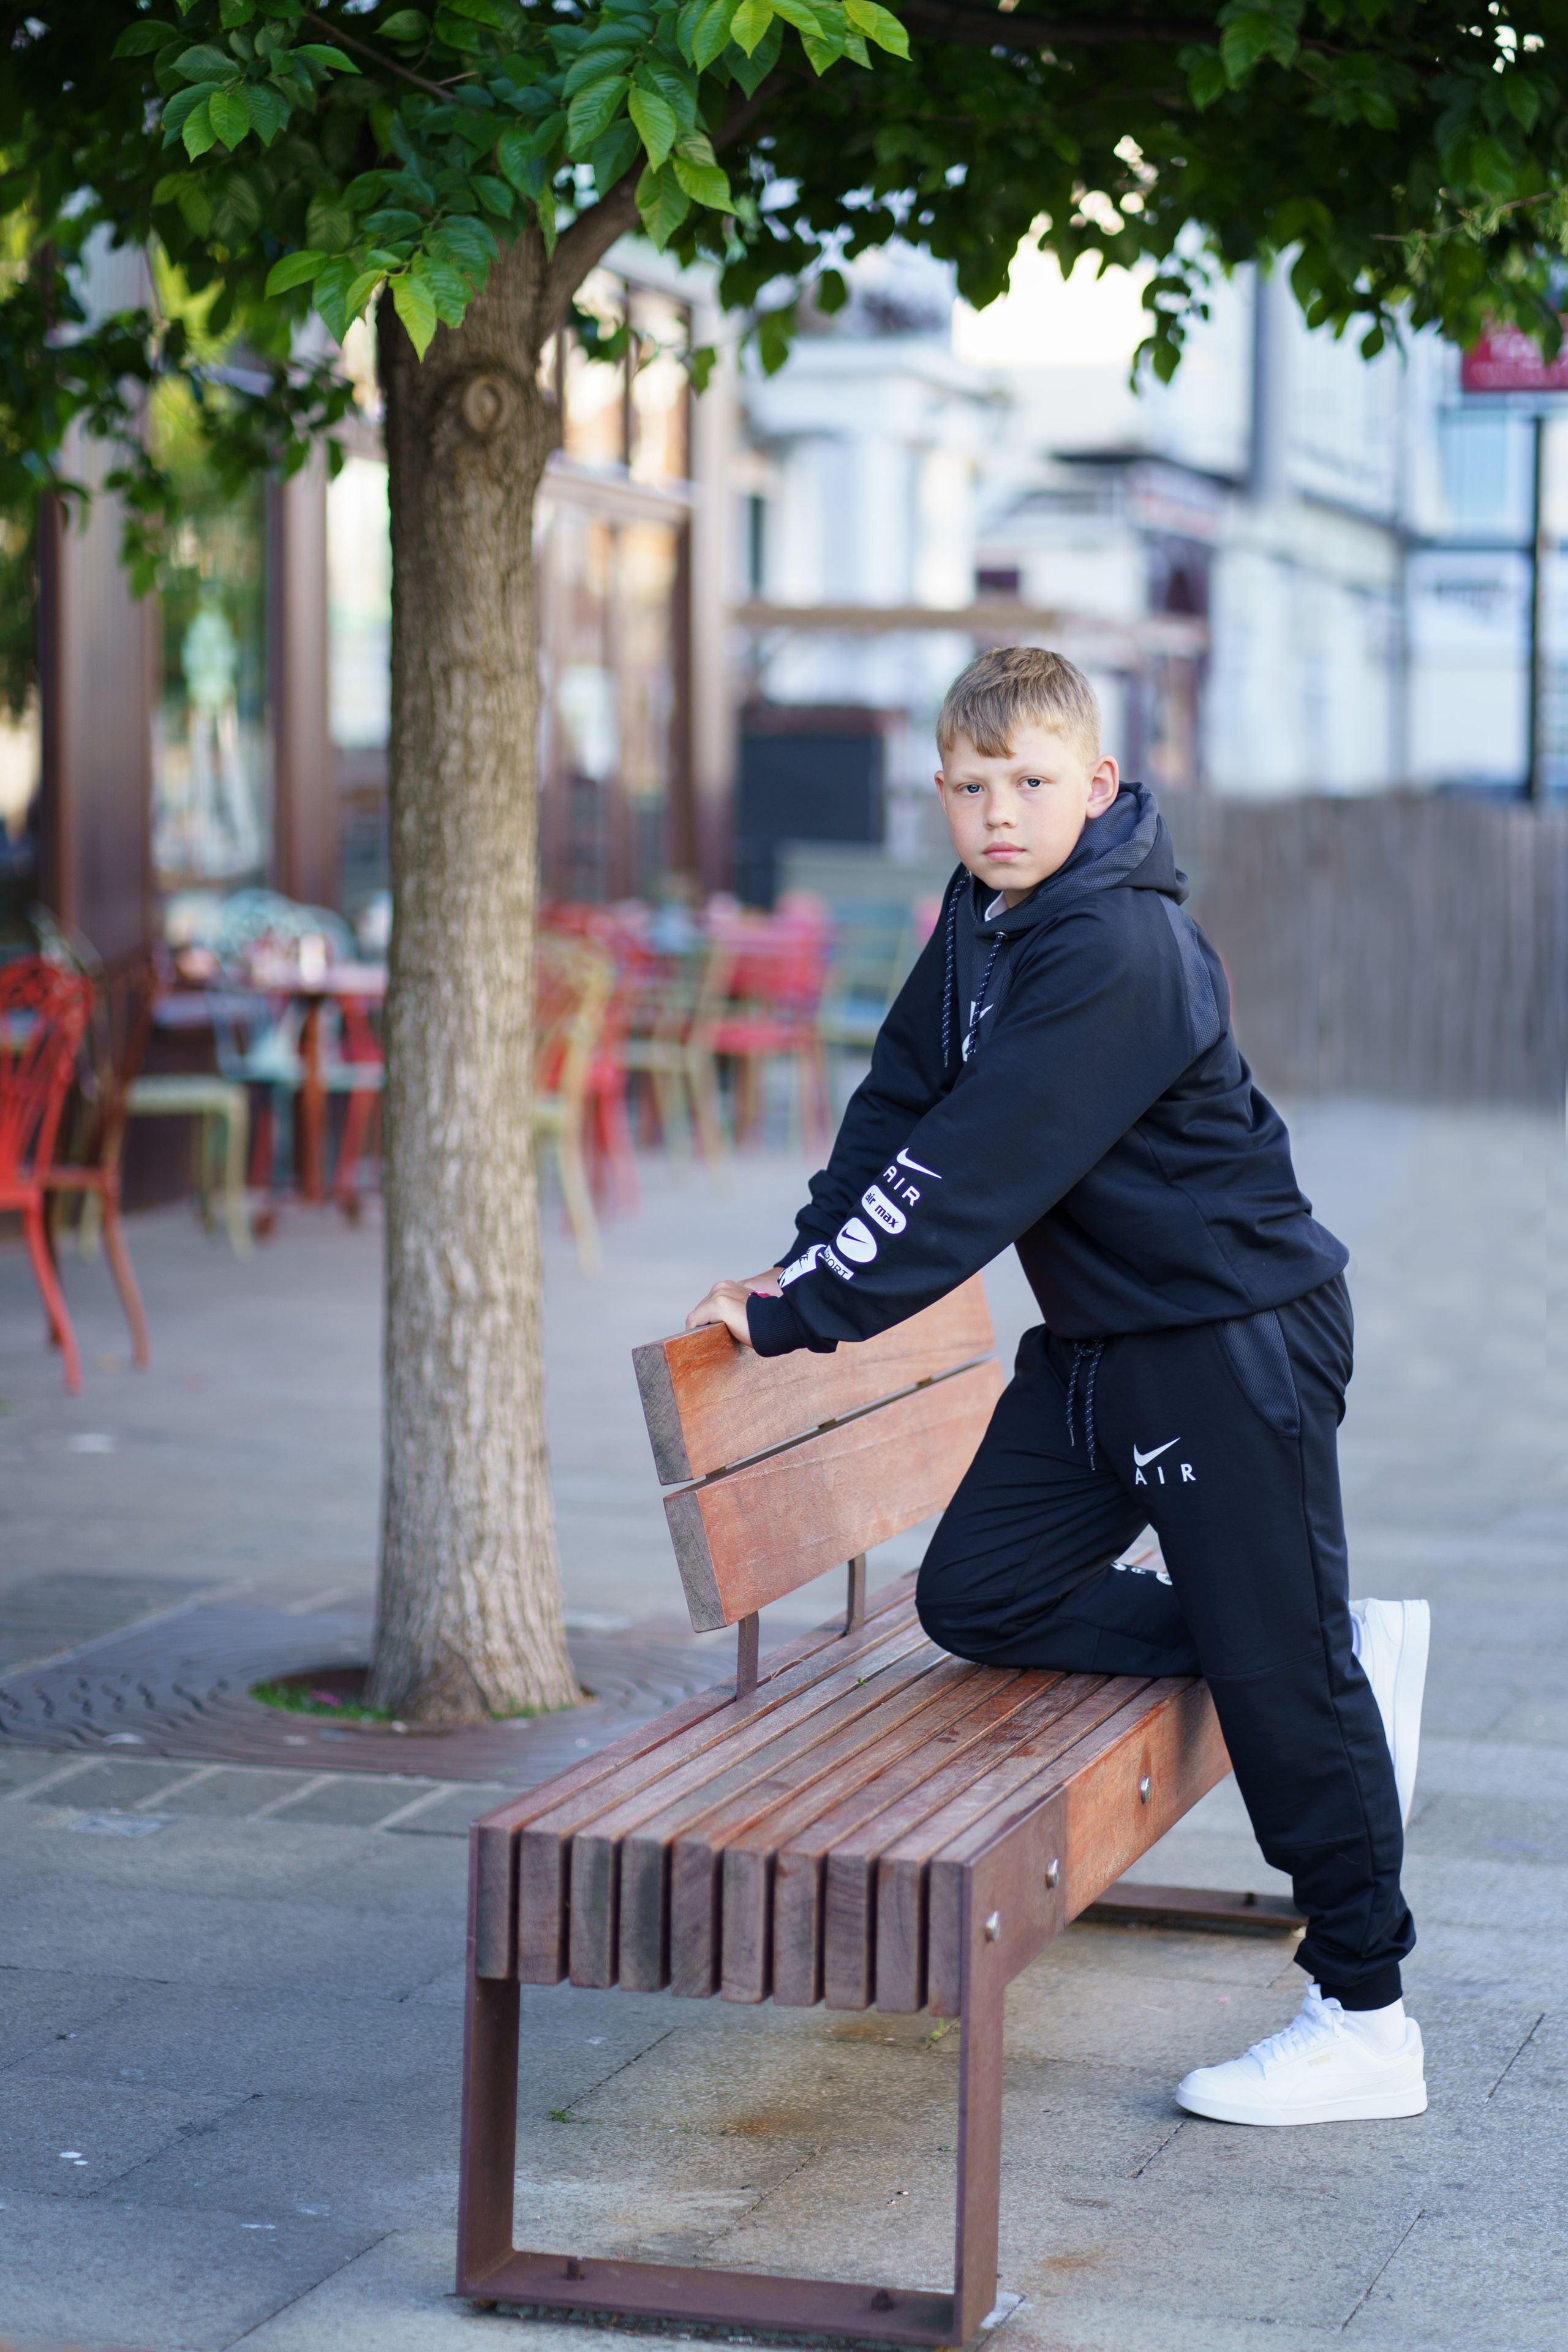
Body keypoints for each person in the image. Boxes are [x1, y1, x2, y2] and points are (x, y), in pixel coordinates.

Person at [687, 644, 1431, 2128]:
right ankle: (1303, 1635)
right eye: (968, 789)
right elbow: (903, 1098)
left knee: (1275, 1676)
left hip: (1229, 1340)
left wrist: (810, 1315)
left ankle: (1364, 2015)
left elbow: (974, 1168)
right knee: (979, 1598)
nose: (996, 815)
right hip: (1102, 1348)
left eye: (1028, 784)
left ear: (1094, 785)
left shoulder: (1113, 952)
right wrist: (797, 1263)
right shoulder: (983, 920)